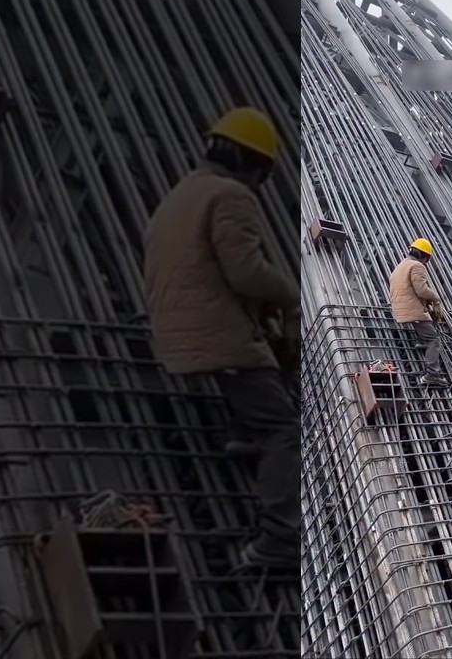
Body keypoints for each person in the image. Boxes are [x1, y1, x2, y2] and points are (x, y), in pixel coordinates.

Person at [143, 106, 299, 570]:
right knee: (286, 429)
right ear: (253, 163)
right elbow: (245, 270)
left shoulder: (182, 194)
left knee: (265, 356)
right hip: (215, 335)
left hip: (176, 333)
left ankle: (243, 431)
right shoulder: (232, 196)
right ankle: (281, 541)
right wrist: (291, 299)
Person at [388, 237, 448, 388]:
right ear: (425, 256)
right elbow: (421, 290)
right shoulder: (417, 266)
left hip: (399, 310)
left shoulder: (400, 266)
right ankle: (432, 375)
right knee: (434, 340)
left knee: (428, 321)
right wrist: (436, 298)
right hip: (412, 311)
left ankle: (422, 342)